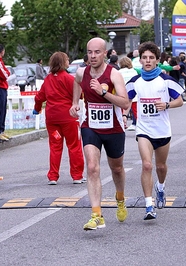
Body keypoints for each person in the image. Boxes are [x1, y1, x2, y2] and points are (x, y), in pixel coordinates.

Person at [69, 37, 130, 230]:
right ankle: (96, 214)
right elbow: (77, 83)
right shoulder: (82, 72)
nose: (93, 56)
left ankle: (120, 198)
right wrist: (75, 102)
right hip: (91, 126)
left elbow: (125, 103)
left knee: (117, 169)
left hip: (113, 128)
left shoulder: (114, 75)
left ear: (105, 53)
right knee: (93, 168)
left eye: (97, 52)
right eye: (89, 52)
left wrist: (103, 93)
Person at [123, 41, 184, 220]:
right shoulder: (135, 81)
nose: (148, 61)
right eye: (144, 58)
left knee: (160, 166)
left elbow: (179, 101)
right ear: (139, 60)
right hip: (144, 129)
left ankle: (161, 186)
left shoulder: (166, 81)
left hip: (162, 130)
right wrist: (124, 117)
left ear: (157, 60)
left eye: (151, 58)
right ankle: (149, 205)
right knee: (147, 165)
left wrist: (166, 104)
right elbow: (127, 102)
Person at [34, 52, 84, 185]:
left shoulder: (48, 79)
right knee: (74, 145)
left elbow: (39, 97)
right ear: (63, 62)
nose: (69, 61)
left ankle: (53, 176)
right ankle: (77, 175)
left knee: (55, 146)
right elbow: (79, 94)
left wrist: (37, 108)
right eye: (67, 59)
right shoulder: (68, 78)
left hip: (52, 119)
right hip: (68, 118)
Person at [118, 56, 138, 131]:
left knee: (122, 112)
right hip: (134, 95)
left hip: (123, 95)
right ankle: (139, 125)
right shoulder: (134, 71)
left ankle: (122, 124)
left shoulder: (119, 72)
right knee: (136, 112)